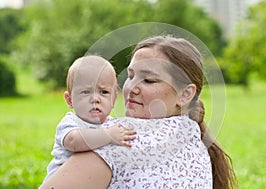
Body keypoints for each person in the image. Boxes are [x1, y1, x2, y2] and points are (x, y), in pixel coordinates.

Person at [39, 36, 236, 189]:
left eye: (149, 80)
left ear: (185, 94)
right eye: (131, 75)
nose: (131, 87)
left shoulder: (121, 136)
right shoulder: (199, 146)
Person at [43, 55, 136, 181]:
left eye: (103, 92)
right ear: (70, 100)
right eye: (86, 92)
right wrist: (107, 136)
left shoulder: (112, 124)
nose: (95, 99)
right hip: (63, 182)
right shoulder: (71, 123)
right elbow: (73, 142)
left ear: (113, 99)